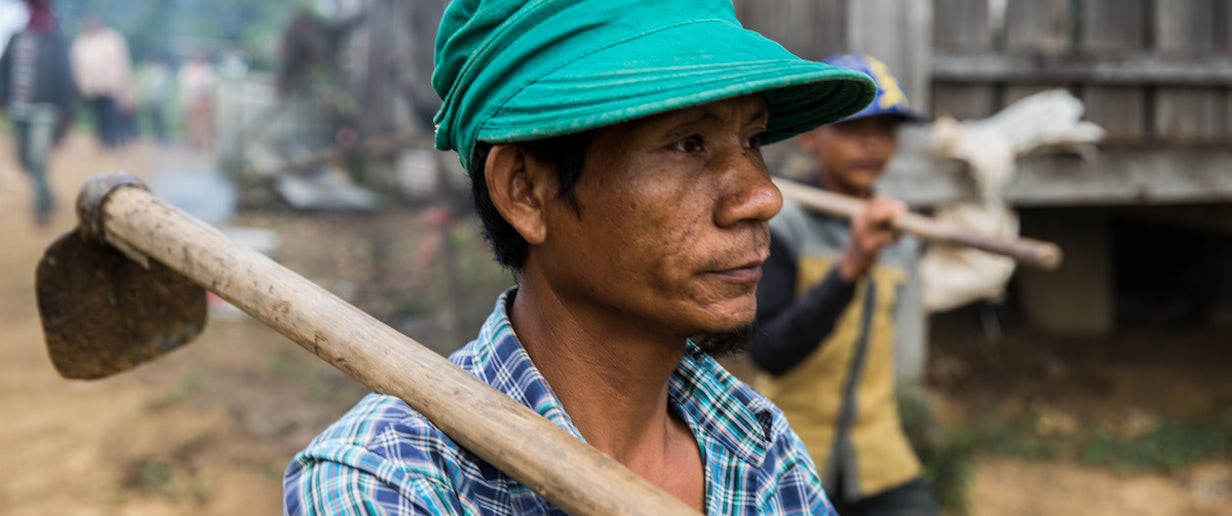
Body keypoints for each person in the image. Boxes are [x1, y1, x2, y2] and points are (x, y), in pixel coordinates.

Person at [282, 0, 879, 513]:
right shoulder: (390, 483)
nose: (762, 196)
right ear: (525, 191)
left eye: (752, 139)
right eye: (687, 142)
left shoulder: (758, 450)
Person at [749, 53, 938, 516]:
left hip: (878, 451)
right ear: (813, 134)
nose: (871, 145)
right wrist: (851, 266)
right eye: (853, 129)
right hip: (793, 449)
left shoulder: (901, 232)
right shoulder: (783, 227)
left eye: (885, 131)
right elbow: (770, 352)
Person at [0, 0, 75, 226]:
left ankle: (41, 204)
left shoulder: (56, 38)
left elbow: (66, 79)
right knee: (23, 158)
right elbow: (4, 72)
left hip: (45, 108)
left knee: (38, 156)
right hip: (18, 108)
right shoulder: (16, 37)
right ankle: (47, 191)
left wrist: (66, 116)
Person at [69, 14, 133, 150]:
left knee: (110, 115)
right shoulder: (82, 42)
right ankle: (103, 141)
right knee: (97, 116)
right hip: (91, 87)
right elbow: (77, 65)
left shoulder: (112, 39)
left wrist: (121, 83)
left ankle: (113, 142)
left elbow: (120, 63)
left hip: (110, 86)